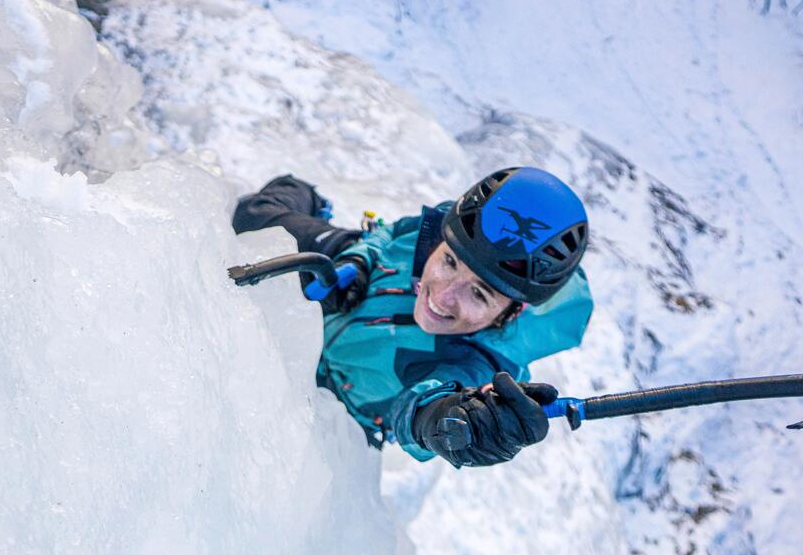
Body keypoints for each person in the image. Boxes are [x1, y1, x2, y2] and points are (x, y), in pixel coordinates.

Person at [232, 167, 593, 467]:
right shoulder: (453, 234)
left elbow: (426, 405)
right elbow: (394, 234)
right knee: (256, 215)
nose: (442, 294)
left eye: (479, 294)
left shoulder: (479, 363)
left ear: (515, 311)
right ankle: (313, 200)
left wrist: (448, 422)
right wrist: (361, 258)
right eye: (449, 262)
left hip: (334, 403)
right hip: (349, 281)